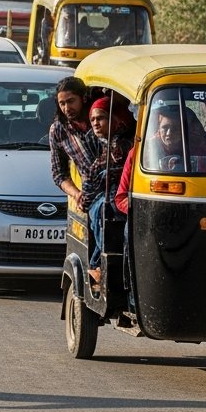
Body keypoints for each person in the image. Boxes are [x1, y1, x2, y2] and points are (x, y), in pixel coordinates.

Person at [84, 97, 135, 284]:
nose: (96, 124)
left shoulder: (123, 143)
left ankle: (98, 264)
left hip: (122, 193)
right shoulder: (102, 142)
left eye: (101, 118)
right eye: (93, 120)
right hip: (110, 193)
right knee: (96, 209)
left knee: (100, 210)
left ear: (115, 119)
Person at [48, 76, 102, 214]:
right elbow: (59, 174)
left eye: (71, 101)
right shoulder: (58, 130)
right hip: (88, 196)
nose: (67, 108)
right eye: (62, 103)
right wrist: (77, 194)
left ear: (83, 98)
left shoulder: (99, 120)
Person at [145, 104, 206, 172]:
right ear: (158, 129)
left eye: (175, 128)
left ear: (184, 130)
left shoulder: (196, 144)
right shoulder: (148, 147)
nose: (169, 133)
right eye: (164, 128)